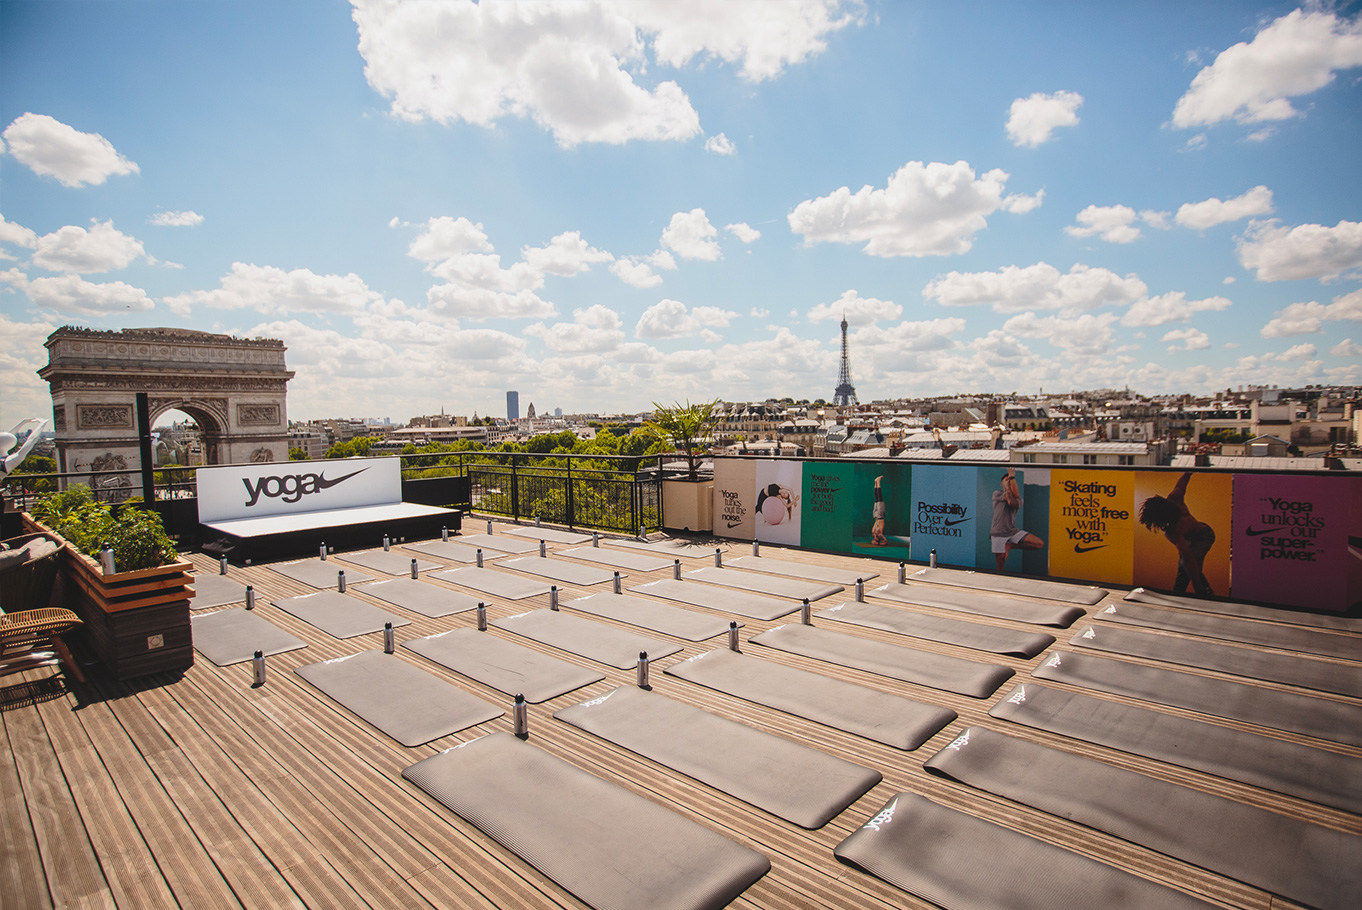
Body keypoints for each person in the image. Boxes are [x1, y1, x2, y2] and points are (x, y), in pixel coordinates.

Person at [1138, 472, 1215, 596]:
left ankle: (1203, 592)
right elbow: (1187, 555)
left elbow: (1183, 481)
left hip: (1204, 535)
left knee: (1189, 563)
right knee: (1185, 566)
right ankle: (1179, 593)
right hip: (1190, 540)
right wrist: (1197, 584)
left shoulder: (1175, 498)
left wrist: (1189, 471)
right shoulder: (1171, 531)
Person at [991, 468, 1043, 570]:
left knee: (1038, 544)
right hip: (998, 532)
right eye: (1006, 481)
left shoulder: (1019, 500)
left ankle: (1011, 546)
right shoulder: (997, 494)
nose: (1008, 483)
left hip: (1012, 531)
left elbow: (1013, 501)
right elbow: (1009, 500)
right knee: (1001, 563)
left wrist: (1012, 477)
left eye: (1011, 481)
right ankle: (999, 580)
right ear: (1002, 483)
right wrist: (1007, 486)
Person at [869, 475, 887, 545]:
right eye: (876, 540)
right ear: (878, 540)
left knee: (877, 498)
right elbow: (885, 542)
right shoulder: (880, 535)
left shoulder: (874, 533)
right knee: (879, 498)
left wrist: (874, 540)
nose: (875, 540)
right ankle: (878, 482)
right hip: (880, 516)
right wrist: (881, 541)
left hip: (876, 515)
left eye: (874, 540)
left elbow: (873, 536)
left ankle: (876, 482)